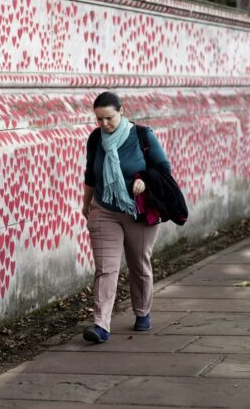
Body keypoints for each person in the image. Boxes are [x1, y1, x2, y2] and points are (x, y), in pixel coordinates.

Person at [81, 91, 172, 343]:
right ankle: (101, 325)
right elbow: (91, 174)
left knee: (138, 264)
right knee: (106, 268)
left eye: (108, 118)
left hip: (138, 211)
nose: (103, 124)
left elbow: (163, 169)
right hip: (104, 210)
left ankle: (142, 312)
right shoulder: (95, 138)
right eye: (98, 119)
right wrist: (86, 204)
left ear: (122, 111)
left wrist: (144, 179)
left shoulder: (143, 136)